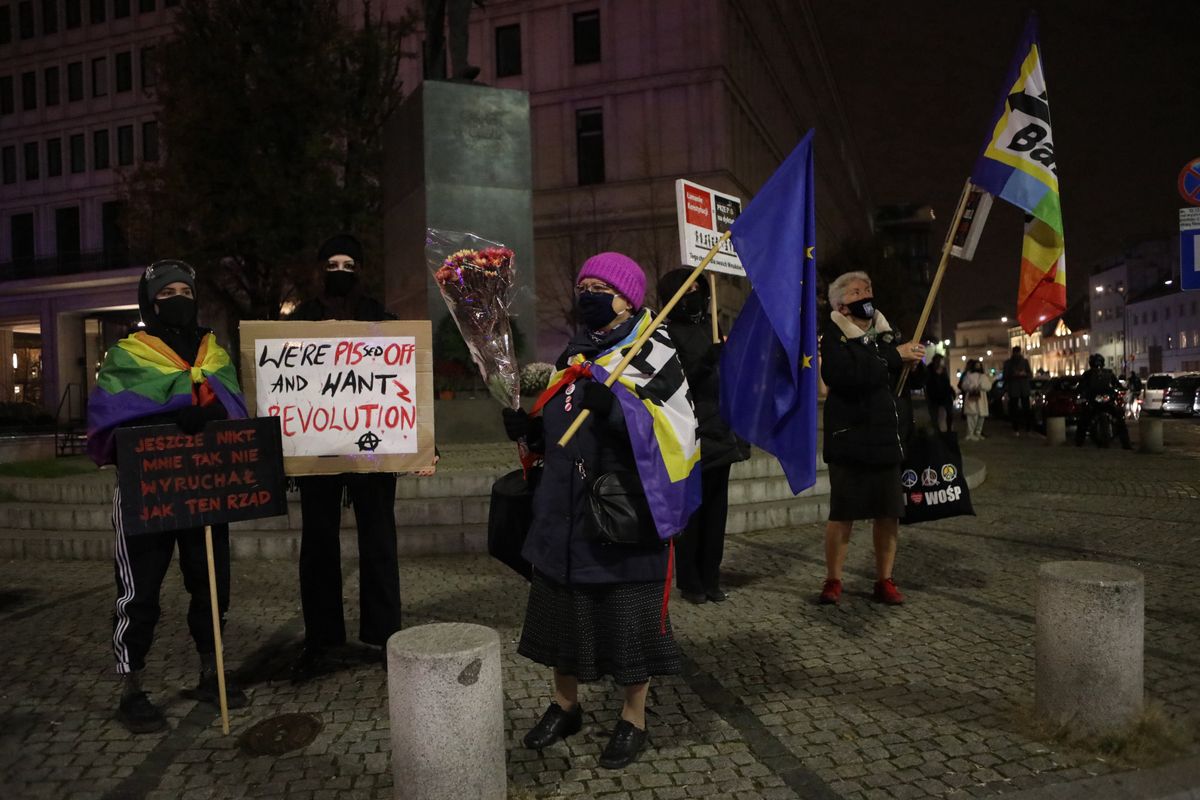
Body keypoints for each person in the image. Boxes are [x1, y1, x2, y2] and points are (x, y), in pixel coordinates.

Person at [500, 253, 698, 769]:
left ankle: (634, 717)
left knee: (628, 621)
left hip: (621, 518)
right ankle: (565, 705)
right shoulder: (574, 355)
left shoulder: (652, 353)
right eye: (583, 284)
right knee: (562, 615)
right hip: (563, 517)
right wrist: (531, 430)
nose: (587, 293)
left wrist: (622, 412)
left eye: (599, 286)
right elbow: (562, 425)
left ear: (627, 300)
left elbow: (679, 434)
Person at [86, 260, 250, 733]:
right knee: (140, 590)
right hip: (148, 491)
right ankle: (132, 688)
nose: (177, 298)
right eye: (167, 291)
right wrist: (178, 408)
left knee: (211, 585)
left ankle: (209, 671)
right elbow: (112, 417)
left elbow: (233, 406)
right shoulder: (127, 354)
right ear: (150, 300)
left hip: (203, 489)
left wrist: (213, 409)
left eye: (184, 289)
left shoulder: (214, 352)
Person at [288, 234, 404, 681]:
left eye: (348, 263)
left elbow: (403, 376)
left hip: (373, 447)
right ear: (321, 270)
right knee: (318, 543)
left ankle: (385, 634)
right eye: (332, 262)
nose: (340, 270)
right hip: (317, 451)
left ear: (360, 270)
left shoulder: (381, 318)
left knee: (379, 540)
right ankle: (321, 637)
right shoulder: (301, 321)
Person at [818, 271, 925, 606]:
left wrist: (911, 361)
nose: (865, 294)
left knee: (887, 513)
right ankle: (833, 579)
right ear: (841, 305)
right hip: (849, 439)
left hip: (885, 438)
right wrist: (894, 358)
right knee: (843, 514)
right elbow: (845, 375)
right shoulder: (834, 338)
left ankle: (885, 579)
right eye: (855, 291)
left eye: (867, 288)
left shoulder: (887, 335)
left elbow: (896, 377)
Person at [655, 268, 750, 605]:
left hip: (720, 429)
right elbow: (669, 384)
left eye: (699, 287)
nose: (697, 293)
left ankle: (712, 576)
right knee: (693, 512)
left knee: (716, 511)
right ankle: (691, 581)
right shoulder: (664, 332)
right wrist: (704, 365)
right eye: (690, 288)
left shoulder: (709, 326)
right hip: (690, 432)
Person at [1075, 353, 1132, 449]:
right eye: (1096, 363)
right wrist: (1082, 393)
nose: (1098, 367)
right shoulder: (1089, 374)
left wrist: (1121, 389)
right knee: (1084, 419)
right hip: (1096, 400)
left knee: (1119, 419)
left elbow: (1117, 384)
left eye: (1098, 363)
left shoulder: (1107, 373)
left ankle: (1126, 444)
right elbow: (1081, 387)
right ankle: (1079, 442)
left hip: (1105, 400)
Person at [1002, 346, 1034, 435]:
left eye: (1018, 352)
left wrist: (1024, 374)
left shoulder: (1024, 362)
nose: (1017, 354)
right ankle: (1016, 428)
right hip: (1014, 388)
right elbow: (1005, 376)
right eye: (1016, 353)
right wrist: (1014, 374)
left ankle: (1027, 428)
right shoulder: (1008, 363)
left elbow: (1030, 374)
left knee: (1026, 409)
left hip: (1023, 388)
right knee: (1014, 409)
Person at [959, 359, 993, 441]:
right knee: (972, 416)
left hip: (981, 399)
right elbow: (964, 386)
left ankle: (978, 432)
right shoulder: (969, 376)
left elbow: (988, 386)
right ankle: (970, 433)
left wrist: (981, 386)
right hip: (972, 397)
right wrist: (971, 387)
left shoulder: (983, 376)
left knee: (981, 417)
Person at [925, 353, 955, 433]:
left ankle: (948, 430)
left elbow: (947, 383)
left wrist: (952, 392)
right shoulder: (929, 369)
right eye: (940, 360)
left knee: (949, 413)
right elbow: (928, 384)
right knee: (935, 416)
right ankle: (937, 432)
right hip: (934, 396)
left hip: (945, 395)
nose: (942, 362)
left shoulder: (943, 370)